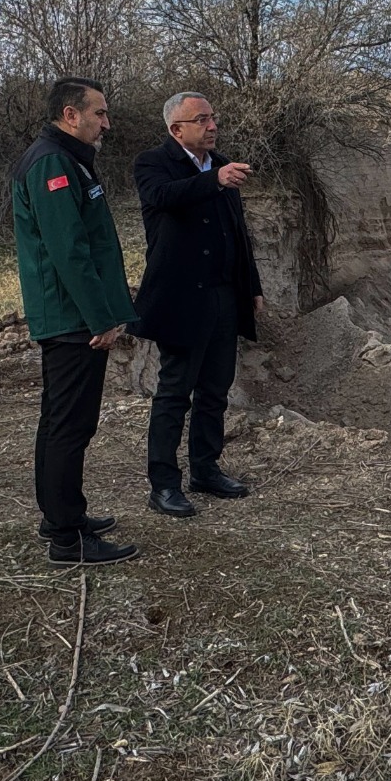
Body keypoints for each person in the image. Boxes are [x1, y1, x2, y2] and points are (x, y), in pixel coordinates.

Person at [11, 77, 139, 566]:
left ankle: (59, 516)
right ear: (71, 114)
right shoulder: (52, 163)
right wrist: (99, 318)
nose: (106, 122)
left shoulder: (64, 158)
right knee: (70, 424)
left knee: (61, 421)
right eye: (99, 113)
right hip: (71, 318)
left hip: (71, 315)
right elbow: (68, 250)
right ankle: (67, 537)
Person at [132, 92, 264, 518]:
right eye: (202, 119)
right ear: (177, 130)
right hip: (182, 299)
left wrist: (253, 286)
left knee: (215, 391)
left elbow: (237, 232)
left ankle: (206, 469)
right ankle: (164, 484)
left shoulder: (220, 163)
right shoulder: (153, 163)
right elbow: (163, 197)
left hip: (225, 296)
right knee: (174, 392)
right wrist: (214, 180)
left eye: (213, 118)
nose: (212, 126)